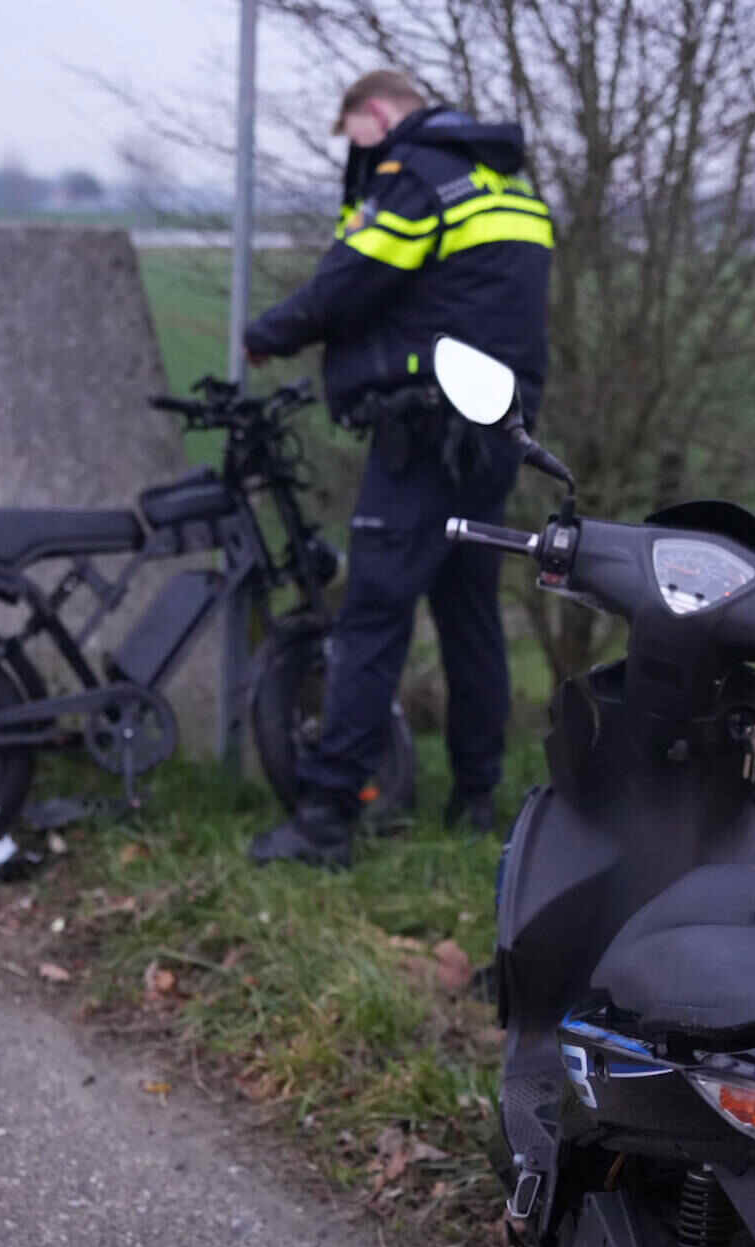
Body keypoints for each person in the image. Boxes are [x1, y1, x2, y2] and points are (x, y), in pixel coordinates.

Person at [242, 69, 554, 869]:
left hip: (421, 435)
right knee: (470, 617)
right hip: (493, 435)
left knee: (371, 620)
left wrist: (268, 335)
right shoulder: (504, 188)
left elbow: (348, 282)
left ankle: (326, 820)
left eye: (352, 136)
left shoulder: (417, 180)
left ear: (376, 114)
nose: (354, 153)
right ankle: (477, 802)